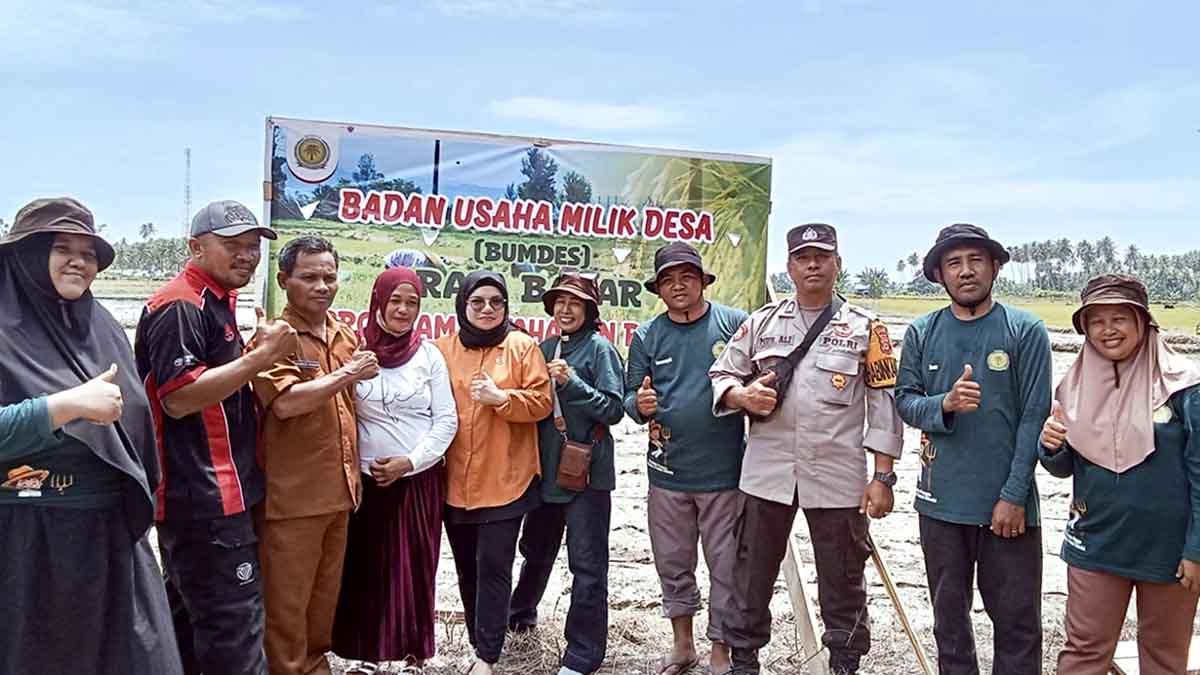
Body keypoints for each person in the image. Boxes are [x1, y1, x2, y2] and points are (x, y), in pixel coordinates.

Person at [710, 224, 904, 675]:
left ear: (838, 263)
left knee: (843, 577)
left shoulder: (867, 328)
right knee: (751, 573)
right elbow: (721, 375)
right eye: (802, 257)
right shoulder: (761, 323)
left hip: (836, 475)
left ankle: (844, 661)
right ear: (789, 267)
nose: (812, 264)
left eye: (821, 256)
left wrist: (883, 476)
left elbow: (884, 404)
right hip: (766, 474)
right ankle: (744, 661)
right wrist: (741, 397)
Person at [0, 197, 182, 674]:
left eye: (89, 252)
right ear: (23, 255)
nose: (79, 260)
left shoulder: (100, 326)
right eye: (61, 247)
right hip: (25, 545)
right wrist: (66, 407)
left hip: (107, 541)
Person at [135, 200, 298, 675]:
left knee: (191, 630)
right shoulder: (181, 305)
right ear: (195, 247)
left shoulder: (216, 301)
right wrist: (259, 359)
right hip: (205, 500)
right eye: (232, 245)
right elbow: (179, 398)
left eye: (252, 247)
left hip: (215, 497)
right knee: (236, 636)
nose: (246, 255)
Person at [895, 223, 1052, 675]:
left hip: (1008, 509)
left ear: (995, 267)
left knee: (1018, 626)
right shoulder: (922, 332)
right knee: (949, 624)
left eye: (975, 260)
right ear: (939, 275)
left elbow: (1033, 417)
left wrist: (1013, 495)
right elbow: (905, 400)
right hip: (940, 505)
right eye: (954, 263)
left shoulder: (1025, 330)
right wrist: (943, 404)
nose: (966, 272)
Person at [1039, 274, 1200, 674]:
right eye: (1096, 321)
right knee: (1084, 654)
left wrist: (1196, 550)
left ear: (1143, 322)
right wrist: (1050, 445)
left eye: (1119, 318)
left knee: (1164, 658)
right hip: (1096, 541)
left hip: (1168, 552)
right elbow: (1062, 468)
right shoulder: (1073, 387)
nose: (1107, 330)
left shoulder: (1183, 386)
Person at [250, 236, 380, 675]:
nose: (322, 286)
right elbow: (285, 403)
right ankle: (287, 668)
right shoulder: (274, 337)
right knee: (286, 604)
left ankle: (313, 664)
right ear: (284, 280)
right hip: (293, 499)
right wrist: (348, 373)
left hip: (340, 492)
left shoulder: (343, 333)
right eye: (309, 277)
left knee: (323, 599)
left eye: (329, 276)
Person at [623, 242, 750, 675]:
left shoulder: (734, 324)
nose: (678, 286)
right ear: (658, 289)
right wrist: (638, 405)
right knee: (673, 563)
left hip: (725, 474)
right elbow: (628, 398)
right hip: (667, 473)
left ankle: (721, 650)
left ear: (702, 281)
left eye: (686, 277)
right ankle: (682, 645)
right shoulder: (646, 335)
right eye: (668, 280)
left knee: (726, 566)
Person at [333, 266, 458, 672]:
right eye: (396, 300)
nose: (403, 310)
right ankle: (366, 654)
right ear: (378, 301)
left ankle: (412, 655)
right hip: (366, 482)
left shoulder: (428, 356)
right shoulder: (354, 351)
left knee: (414, 567)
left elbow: (446, 420)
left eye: (412, 302)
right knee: (366, 567)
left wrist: (411, 462)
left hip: (417, 480)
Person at [435, 271, 553, 675]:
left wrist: (504, 399)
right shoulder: (441, 350)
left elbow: (541, 402)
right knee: (466, 567)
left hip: (507, 479)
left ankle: (488, 655)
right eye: (478, 302)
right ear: (462, 305)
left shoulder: (521, 346)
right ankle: (476, 640)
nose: (487, 309)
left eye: (496, 302)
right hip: (454, 483)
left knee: (494, 566)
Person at [509, 273, 626, 675]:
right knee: (535, 552)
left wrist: (571, 382)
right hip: (545, 472)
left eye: (574, 302)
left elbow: (613, 410)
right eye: (559, 301)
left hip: (586, 476)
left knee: (588, 566)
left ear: (589, 309)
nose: (565, 309)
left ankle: (582, 655)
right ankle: (520, 615)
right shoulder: (543, 348)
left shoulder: (600, 349)